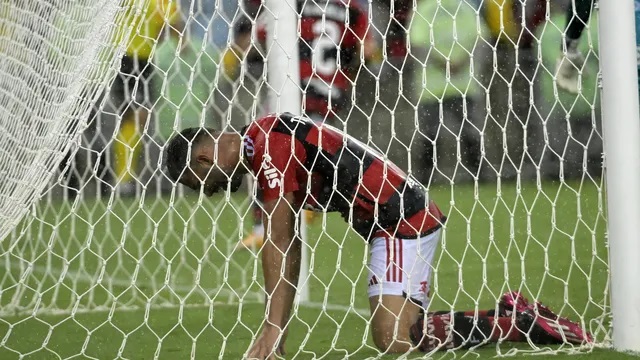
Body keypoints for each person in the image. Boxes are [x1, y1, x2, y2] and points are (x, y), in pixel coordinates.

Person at [164, 113, 592, 358]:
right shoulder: (264, 138)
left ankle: (517, 323)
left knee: (395, 339)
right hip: (386, 222)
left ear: (204, 158)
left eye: (199, 182)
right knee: (403, 335)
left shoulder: (270, 146)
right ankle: (512, 316)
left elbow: (281, 240)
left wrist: (273, 328)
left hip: (400, 218)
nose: (210, 192)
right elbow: (285, 237)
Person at [221, 0, 378, 250]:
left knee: (262, 148)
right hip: (330, 93)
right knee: (307, 152)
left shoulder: (290, 5)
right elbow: (367, 51)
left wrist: (233, 55)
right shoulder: (353, 9)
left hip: (293, 89)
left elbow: (253, 41)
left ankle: (267, 226)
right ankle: (308, 202)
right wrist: (346, 65)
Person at [555, 0, 594, 94]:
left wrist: (569, 48)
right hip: (593, 95)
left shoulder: (544, 27)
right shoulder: (598, 22)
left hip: (551, 100)